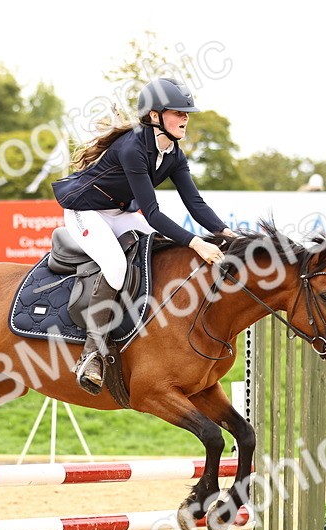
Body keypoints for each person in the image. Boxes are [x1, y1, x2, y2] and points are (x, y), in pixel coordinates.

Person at [51, 76, 237, 394]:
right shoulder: (133, 147)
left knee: (157, 247)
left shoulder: (174, 154)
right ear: (155, 116)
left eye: (186, 112)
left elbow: (195, 202)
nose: (185, 118)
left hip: (120, 212)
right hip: (85, 210)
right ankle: (90, 355)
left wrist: (225, 232)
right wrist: (196, 242)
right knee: (116, 266)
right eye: (178, 112)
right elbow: (152, 213)